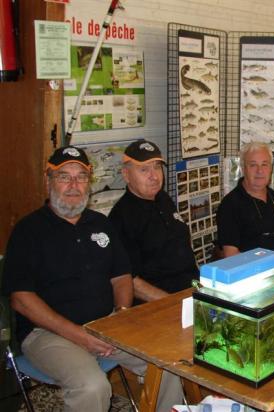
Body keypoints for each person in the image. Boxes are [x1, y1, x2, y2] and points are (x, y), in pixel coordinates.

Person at [2, 146, 183, 412]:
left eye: (81, 177)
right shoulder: (28, 231)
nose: (74, 185)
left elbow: (121, 275)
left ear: (89, 181)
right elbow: (21, 299)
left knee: (168, 363)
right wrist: (79, 335)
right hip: (49, 334)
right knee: (92, 386)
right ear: (48, 180)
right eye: (65, 176)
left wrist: (119, 317)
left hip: (105, 324)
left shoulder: (101, 223)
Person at [109, 139, 198, 303]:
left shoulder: (163, 199)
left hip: (192, 291)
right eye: (144, 169)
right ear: (126, 175)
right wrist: (172, 303)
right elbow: (130, 281)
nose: (154, 176)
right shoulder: (121, 218)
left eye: (157, 167)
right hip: (158, 304)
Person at [216, 141, 274, 257]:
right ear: (243, 168)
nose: (260, 171)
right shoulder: (230, 204)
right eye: (253, 165)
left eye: (264, 164)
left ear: (271, 168)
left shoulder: (272, 195)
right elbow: (231, 255)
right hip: (255, 271)